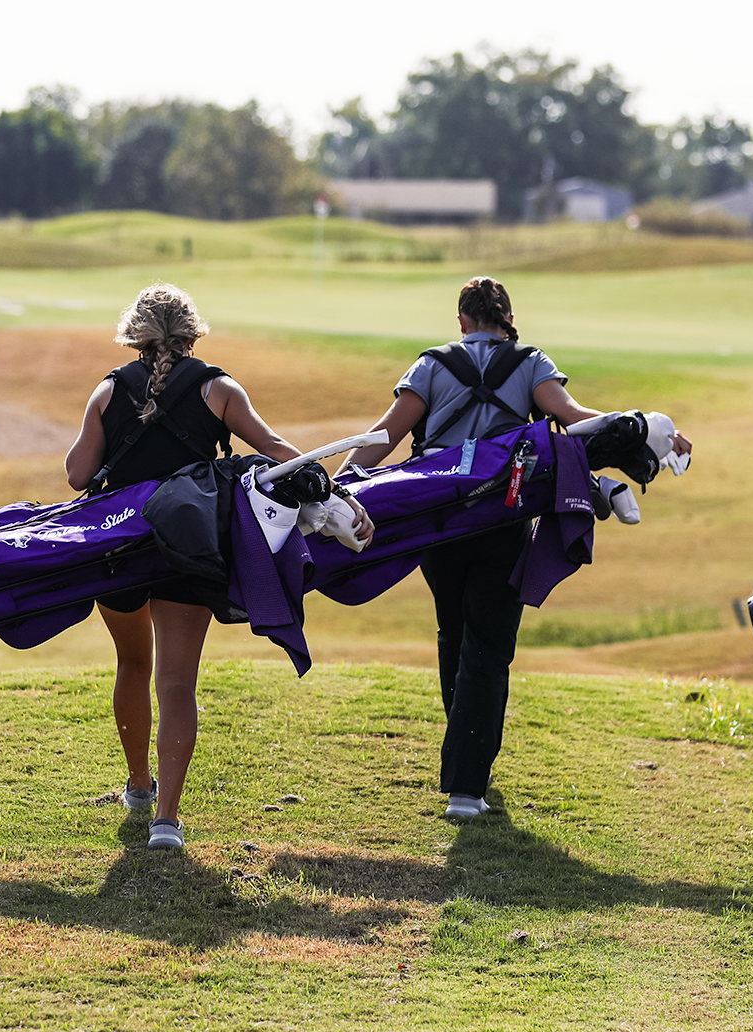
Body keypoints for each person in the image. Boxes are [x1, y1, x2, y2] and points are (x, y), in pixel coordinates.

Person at [343, 276, 691, 819]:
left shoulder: (431, 365)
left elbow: (385, 436)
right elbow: (577, 422)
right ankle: (466, 786)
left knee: (453, 631)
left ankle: (465, 764)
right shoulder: (530, 363)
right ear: (507, 319)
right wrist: (652, 431)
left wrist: (340, 488)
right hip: (503, 519)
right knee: (488, 643)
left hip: (437, 521)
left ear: (462, 321)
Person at [64, 283, 370, 851]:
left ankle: (136, 784)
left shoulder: (107, 390)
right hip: (188, 547)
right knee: (177, 682)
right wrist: (340, 496)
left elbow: (78, 475)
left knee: (132, 663)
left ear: (135, 334)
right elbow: (279, 450)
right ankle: (166, 820)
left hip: (120, 549)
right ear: (192, 333)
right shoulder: (219, 388)